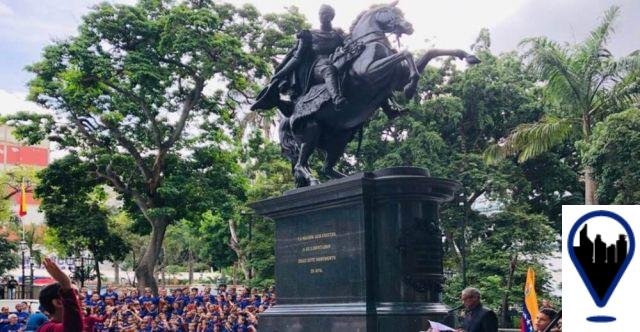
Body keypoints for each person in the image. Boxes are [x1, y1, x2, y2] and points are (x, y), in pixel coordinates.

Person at [252, 4, 346, 113]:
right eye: (321, 13)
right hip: (316, 67)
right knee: (328, 70)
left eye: (326, 14)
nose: (323, 16)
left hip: (336, 61)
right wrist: (280, 74)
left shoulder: (337, 37)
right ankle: (337, 98)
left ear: (331, 16)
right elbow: (297, 57)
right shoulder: (309, 34)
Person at [36, 257, 83, 332]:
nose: (82, 297)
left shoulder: (46, 327)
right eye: (75, 294)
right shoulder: (51, 328)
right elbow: (73, 328)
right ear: (58, 302)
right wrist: (66, 285)